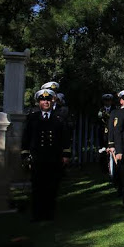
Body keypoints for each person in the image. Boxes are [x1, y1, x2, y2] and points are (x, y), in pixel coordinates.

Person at [21, 89, 71, 221]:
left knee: (52, 186)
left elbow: (65, 138)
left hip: (54, 158)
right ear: (38, 102)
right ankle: (37, 214)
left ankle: (50, 214)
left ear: (52, 101)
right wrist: (25, 155)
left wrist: (66, 155)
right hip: (37, 158)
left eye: (48, 100)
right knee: (37, 187)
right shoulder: (32, 118)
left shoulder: (59, 118)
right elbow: (26, 138)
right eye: (43, 100)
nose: (45, 102)